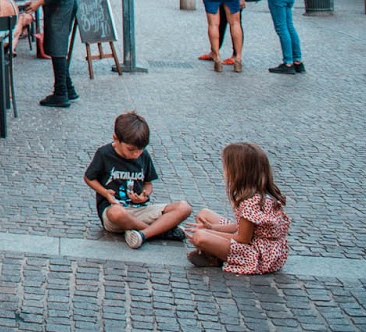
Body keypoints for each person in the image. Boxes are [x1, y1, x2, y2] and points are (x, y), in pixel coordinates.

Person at [83, 111, 192, 249]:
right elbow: (89, 177)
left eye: (140, 150)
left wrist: (144, 195)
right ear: (116, 139)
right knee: (117, 212)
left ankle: (142, 233)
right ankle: (159, 231)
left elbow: (148, 183)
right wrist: (105, 193)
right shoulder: (104, 154)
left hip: (140, 210)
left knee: (184, 207)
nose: (136, 154)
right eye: (131, 149)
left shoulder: (143, 155)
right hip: (115, 212)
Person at [186, 142, 291, 273]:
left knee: (200, 237)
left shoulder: (250, 202)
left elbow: (243, 238)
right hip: (262, 244)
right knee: (204, 214)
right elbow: (241, 226)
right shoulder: (261, 194)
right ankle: (214, 253)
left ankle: (217, 256)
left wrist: (210, 233)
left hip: (258, 254)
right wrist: (212, 227)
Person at [7, 0, 79, 107]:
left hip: (64, 3)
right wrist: (4, 4)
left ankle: (61, 94)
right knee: (52, 44)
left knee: (57, 46)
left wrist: (41, 1)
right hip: (51, 2)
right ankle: (68, 89)